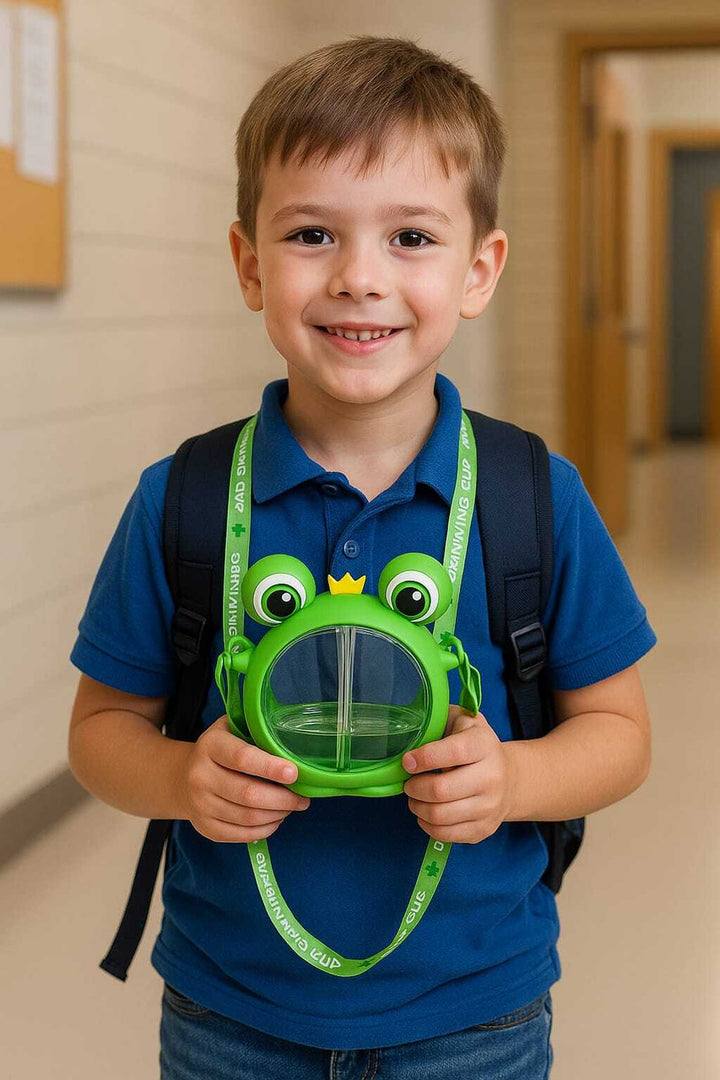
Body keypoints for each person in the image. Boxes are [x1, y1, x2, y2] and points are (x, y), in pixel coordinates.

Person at [67, 34, 656, 1079]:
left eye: (413, 237)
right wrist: (180, 776)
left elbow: (618, 735)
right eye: (310, 234)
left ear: (480, 269)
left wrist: (514, 778)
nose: (359, 278)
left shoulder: (534, 499)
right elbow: (101, 733)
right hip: (231, 1014)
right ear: (251, 263)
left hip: (476, 1015)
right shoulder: (189, 500)